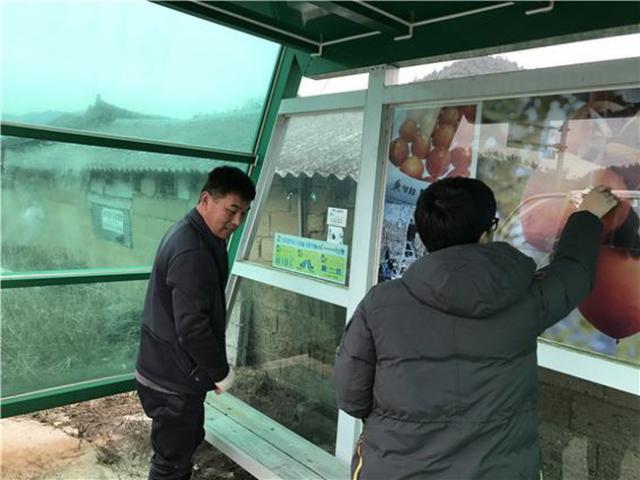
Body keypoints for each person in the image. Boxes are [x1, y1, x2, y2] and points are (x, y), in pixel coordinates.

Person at [332, 178, 618, 480]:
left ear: (425, 234)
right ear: (486, 233)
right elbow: (575, 272)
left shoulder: (380, 303)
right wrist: (587, 215)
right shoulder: (525, 300)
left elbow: (350, 395)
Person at [136, 166, 255, 480]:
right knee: (171, 464)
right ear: (206, 200)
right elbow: (193, 328)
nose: (237, 221)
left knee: (180, 449)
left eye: (244, 214)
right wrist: (220, 372)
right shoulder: (192, 249)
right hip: (172, 381)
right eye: (232, 210)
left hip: (167, 370)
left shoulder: (194, 233)